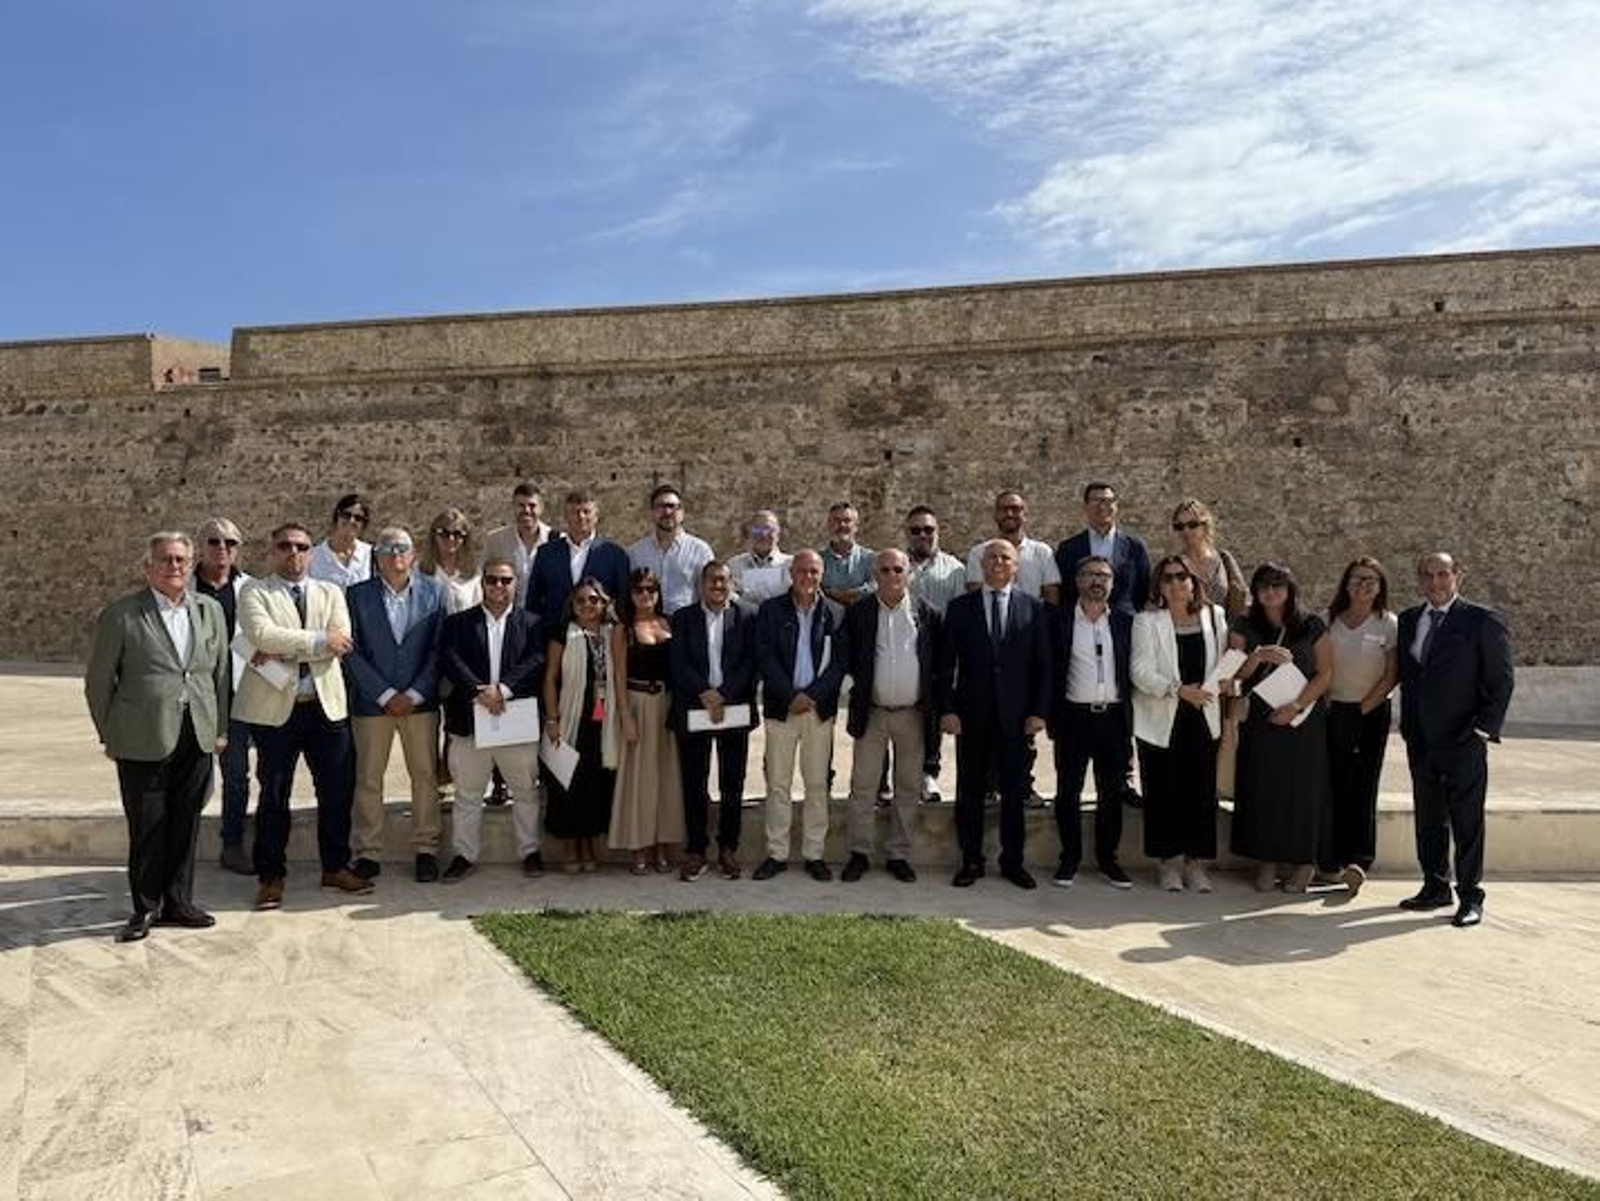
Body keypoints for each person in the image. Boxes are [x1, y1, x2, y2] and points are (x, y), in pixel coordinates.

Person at [85, 532, 231, 941]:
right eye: (166, 560)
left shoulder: (209, 611)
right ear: (148, 567)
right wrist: (110, 733)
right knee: (147, 825)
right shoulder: (122, 614)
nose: (175, 567)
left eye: (182, 559)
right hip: (141, 735)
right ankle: (146, 908)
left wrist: (219, 728)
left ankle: (179, 902)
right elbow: (99, 682)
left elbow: (219, 674)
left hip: (196, 733)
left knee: (186, 821)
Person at [235, 523, 372, 908]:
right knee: (274, 795)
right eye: (285, 546)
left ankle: (335, 866)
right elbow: (262, 636)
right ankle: (271, 876)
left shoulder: (330, 592)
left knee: (336, 793)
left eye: (302, 547)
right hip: (276, 712)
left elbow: (342, 640)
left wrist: (289, 645)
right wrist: (317, 641)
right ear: (271, 551)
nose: (293, 553)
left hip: (326, 709)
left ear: (311, 553)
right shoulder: (255, 591)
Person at [1396, 552, 1514, 928]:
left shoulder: (1481, 620)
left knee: (1466, 819)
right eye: (1427, 575)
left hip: (1463, 738)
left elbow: (1501, 680)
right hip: (1422, 738)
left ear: (1458, 575)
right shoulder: (1411, 620)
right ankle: (1434, 885)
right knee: (1429, 817)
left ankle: (1470, 896)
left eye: (1442, 574)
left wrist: (1482, 729)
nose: (1435, 582)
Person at [939, 538, 1052, 889]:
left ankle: (1012, 862)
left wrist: (1038, 712)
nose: (998, 563)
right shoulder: (960, 608)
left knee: (1014, 795)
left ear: (1016, 566)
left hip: (1016, 720)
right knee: (969, 793)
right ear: (981, 566)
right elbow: (945, 666)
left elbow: (1044, 667)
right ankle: (971, 860)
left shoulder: (1033, 608)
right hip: (972, 718)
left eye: (1005, 558)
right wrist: (948, 709)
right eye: (991, 558)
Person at [343, 528, 445, 883]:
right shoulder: (356, 596)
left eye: (402, 548)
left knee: (425, 776)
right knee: (369, 779)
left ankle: (426, 849)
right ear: (377, 556)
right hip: (373, 705)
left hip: (421, 703)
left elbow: (438, 649)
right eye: (386, 548)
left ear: (413, 554)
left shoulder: (435, 592)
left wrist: (415, 693)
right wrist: (385, 694)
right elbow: (349, 651)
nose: (395, 554)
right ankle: (368, 852)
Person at [1227, 563, 1334, 894]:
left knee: (1302, 791)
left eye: (1277, 585)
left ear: (1290, 590)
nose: (1270, 592)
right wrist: (1258, 656)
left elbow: (1325, 673)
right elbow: (1234, 673)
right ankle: (1266, 862)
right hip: (1260, 719)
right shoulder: (1244, 624)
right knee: (1262, 789)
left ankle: (1304, 864)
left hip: (1302, 718)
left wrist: (1296, 706)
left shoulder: (1311, 625)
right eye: (1263, 586)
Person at [439, 558, 547, 882]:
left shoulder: (532, 623)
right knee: (468, 794)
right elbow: (450, 659)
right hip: (470, 720)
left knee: (525, 791)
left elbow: (536, 659)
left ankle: (530, 851)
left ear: (516, 583)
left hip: (515, 720)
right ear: (482, 583)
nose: (499, 587)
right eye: (492, 580)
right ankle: (464, 855)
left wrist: (504, 689)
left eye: (506, 580)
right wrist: (479, 691)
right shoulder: (458, 623)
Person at [840, 549, 940, 883]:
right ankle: (860, 852)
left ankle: (899, 853)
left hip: (912, 714)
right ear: (875, 574)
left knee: (908, 786)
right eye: (884, 570)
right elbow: (847, 657)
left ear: (909, 573)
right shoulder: (860, 613)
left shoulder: (926, 613)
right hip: (873, 713)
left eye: (898, 569)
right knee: (863, 786)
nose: (892, 575)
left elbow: (937, 668)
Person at [1131, 555, 1227, 891]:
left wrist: (1223, 685)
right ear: (1159, 585)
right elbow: (1140, 671)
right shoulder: (1146, 621)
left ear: (1193, 582)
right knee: (1163, 792)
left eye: (1181, 577)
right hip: (1162, 717)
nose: (1175, 583)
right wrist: (1178, 690)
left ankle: (1197, 864)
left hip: (1204, 716)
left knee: (1201, 793)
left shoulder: (1215, 617)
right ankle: (1168, 863)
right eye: (1168, 578)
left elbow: (1226, 665)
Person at [753, 549, 847, 881]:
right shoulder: (770, 611)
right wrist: (790, 695)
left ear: (822, 575)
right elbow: (764, 657)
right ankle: (776, 854)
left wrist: (812, 696)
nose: (808, 577)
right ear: (791, 573)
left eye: (814, 572)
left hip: (818, 712)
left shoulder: (835, 613)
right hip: (782, 709)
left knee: (817, 784)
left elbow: (839, 665)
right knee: (778, 783)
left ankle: (814, 854)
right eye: (802, 571)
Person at [669, 561, 759, 881]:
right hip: (694, 710)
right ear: (701, 585)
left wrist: (724, 694)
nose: (718, 586)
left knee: (732, 785)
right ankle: (696, 849)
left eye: (723, 581)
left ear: (731, 583)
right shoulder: (682, 618)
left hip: (733, 709)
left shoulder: (747, 616)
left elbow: (751, 661)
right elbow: (677, 662)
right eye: (711, 581)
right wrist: (705, 693)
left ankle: (728, 849)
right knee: (695, 784)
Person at [1049, 556, 1134, 889]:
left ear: (1112, 583)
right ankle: (1069, 858)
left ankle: (1108, 859)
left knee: (1111, 793)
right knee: (1067, 791)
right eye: (1089, 574)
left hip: (1113, 717)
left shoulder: (1127, 622)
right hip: (1073, 717)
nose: (1097, 580)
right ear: (1077, 581)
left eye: (1104, 575)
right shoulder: (1059, 622)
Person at [1321, 557, 1399, 896]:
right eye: (1356, 579)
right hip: (1332, 709)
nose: (1363, 585)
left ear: (1380, 586)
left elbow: (1391, 673)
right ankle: (1330, 859)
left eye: (1370, 580)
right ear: (1345, 583)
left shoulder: (1388, 623)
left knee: (1364, 784)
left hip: (1370, 712)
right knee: (1334, 782)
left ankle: (1358, 860)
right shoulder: (1329, 619)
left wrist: (1363, 709)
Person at [540, 577, 621, 871]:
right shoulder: (563, 633)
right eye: (581, 600)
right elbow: (550, 678)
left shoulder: (613, 633)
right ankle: (569, 845)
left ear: (604, 603)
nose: (588, 605)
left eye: (594, 600)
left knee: (595, 783)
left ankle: (588, 843)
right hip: (571, 717)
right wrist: (552, 718)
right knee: (567, 783)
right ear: (572, 606)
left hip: (603, 720)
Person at [609, 567, 686, 873]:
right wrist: (625, 715)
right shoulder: (622, 629)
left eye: (651, 589)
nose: (645, 595)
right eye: (639, 589)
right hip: (638, 704)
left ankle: (663, 844)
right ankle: (639, 846)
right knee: (638, 777)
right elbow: (618, 675)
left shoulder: (669, 623)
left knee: (667, 776)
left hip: (666, 704)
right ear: (630, 594)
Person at [191, 516, 255, 875]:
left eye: (230, 543)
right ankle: (179, 843)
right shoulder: (183, 588)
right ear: (201, 546)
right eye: (215, 542)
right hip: (194, 698)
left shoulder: (251, 589)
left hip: (239, 696)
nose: (222, 549)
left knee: (236, 775)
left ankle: (232, 844)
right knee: (192, 775)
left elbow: (255, 642)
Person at [904, 505, 966, 802]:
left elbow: (959, 613)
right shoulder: (895, 566)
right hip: (901, 651)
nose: (922, 535)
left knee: (932, 714)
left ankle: (929, 773)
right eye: (916, 530)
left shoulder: (955, 569)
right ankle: (895, 779)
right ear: (907, 533)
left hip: (939, 653)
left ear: (937, 532)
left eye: (928, 530)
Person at [526, 489, 631, 633]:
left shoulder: (615, 554)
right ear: (566, 517)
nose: (581, 517)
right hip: (554, 637)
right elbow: (533, 601)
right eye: (575, 512)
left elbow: (623, 600)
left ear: (596, 516)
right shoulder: (546, 553)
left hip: (599, 636)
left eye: (586, 511)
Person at [1055, 482, 1151, 615]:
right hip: (1081, 624)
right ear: (1085, 506)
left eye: (1108, 501)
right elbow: (1064, 592)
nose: (1102, 506)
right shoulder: (1068, 548)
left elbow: (1144, 590)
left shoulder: (1135, 547)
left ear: (1116, 506)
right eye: (1096, 500)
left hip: (1124, 626)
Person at [627, 483, 714, 615]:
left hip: (687, 628)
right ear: (651, 513)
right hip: (649, 628)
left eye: (672, 506)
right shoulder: (636, 552)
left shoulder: (700, 551)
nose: (667, 512)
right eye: (660, 507)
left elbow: (708, 593)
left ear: (682, 512)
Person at [966, 489, 1061, 605]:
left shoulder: (1042, 552)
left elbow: (1051, 596)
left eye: (1015, 509)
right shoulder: (979, 553)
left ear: (1024, 514)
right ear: (995, 515)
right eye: (1003, 509)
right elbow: (975, 596)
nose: (1009, 514)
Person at [1169, 498, 1247, 620]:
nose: (1186, 531)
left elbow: (1243, 599)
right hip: (1191, 635)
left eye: (1192, 525)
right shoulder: (1173, 566)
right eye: (1179, 526)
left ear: (1205, 526)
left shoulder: (1224, 559)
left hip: (1224, 633)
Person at [481, 481, 551, 607]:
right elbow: (485, 579)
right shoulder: (495, 540)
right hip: (508, 616)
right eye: (521, 505)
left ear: (541, 507)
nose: (526, 510)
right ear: (513, 507)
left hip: (544, 618)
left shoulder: (556, 540)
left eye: (532, 505)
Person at [420, 507, 482, 615]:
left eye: (457, 534)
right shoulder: (419, 572)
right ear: (434, 535)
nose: (451, 539)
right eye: (444, 533)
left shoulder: (474, 575)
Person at [820, 500, 875, 620]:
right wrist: (857, 592)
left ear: (856, 526)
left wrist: (833, 593)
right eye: (836, 521)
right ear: (829, 525)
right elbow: (816, 591)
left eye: (847, 521)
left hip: (863, 625)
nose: (842, 525)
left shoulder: (870, 558)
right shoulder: (818, 560)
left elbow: (875, 588)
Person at [307, 492, 374, 590]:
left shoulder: (371, 554)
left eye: (358, 518)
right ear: (337, 516)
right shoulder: (313, 557)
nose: (351, 521)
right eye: (346, 515)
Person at [727, 509, 793, 605]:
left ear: (778, 534)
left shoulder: (791, 564)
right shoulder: (734, 565)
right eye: (757, 529)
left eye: (769, 529)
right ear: (749, 533)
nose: (763, 534)